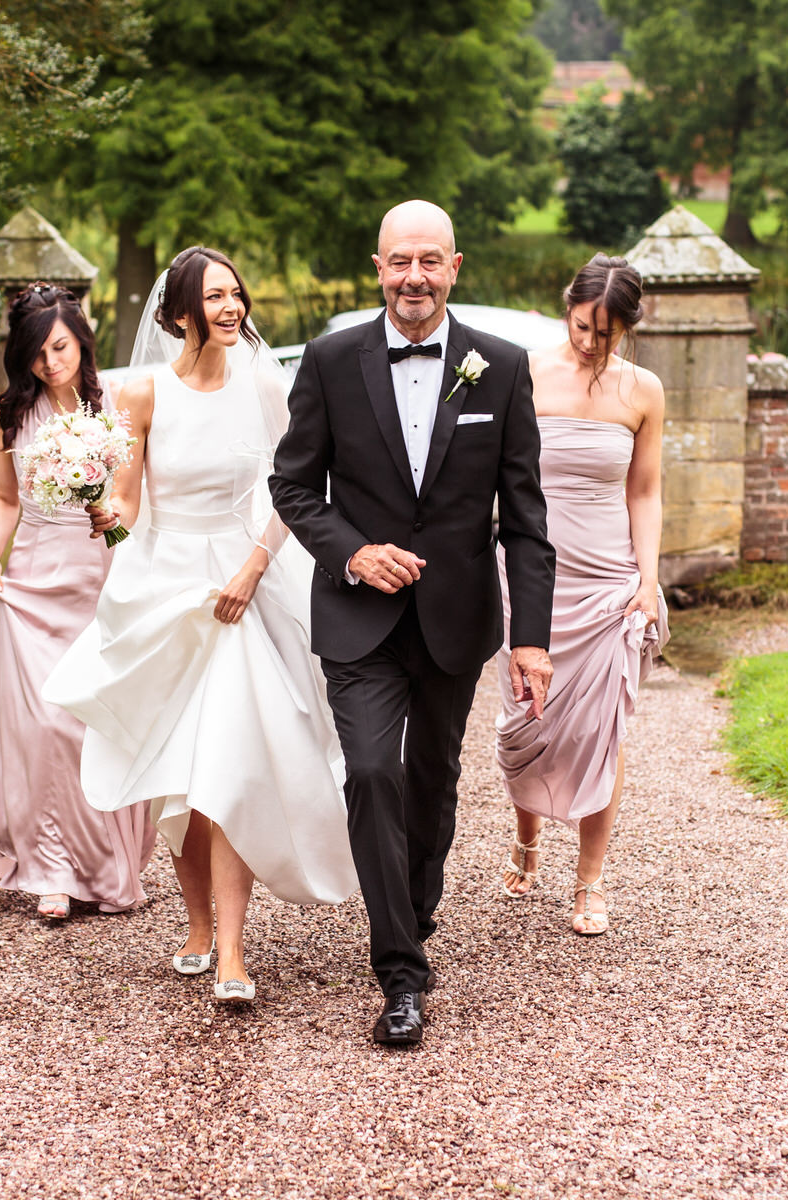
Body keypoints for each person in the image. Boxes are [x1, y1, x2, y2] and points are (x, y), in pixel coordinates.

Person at [270, 200, 556, 1047]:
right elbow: (292, 488)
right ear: (377, 266)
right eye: (400, 262)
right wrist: (353, 553)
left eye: (429, 261)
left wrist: (530, 637)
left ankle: (413, 913)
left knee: (432, 780)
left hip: (454, 619)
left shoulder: (499, 368)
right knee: (370, 771)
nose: (414, 277)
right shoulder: (328, 361)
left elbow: (525, 518)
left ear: (454, 268)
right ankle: (399, 973)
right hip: (359, 617)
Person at [45, 247, 356, 1004]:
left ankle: (234, 955)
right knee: (180, 776)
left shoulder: (263, 382)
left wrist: (252, 568)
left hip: (242, 582)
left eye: (236, 294)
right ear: (180, 311)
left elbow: (293, 487)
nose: (231, 308)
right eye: (214, 296)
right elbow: (129, 510)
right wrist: (100, 510)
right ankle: (197, 925)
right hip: (165, 590)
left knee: (230, 765)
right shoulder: (143, 393)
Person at [495, 254, 668, 937]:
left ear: (626, 327)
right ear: (565, 309)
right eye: (581, 326)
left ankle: (590, 880)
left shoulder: (644, 391)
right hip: (531, 575)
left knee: (602, 732)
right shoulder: (525, 374)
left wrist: (647, 580)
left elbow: (645, 491)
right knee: (526, 724)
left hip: (607, 581)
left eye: (607, 332)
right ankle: (527, 840)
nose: (591, 342)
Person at [0, 284, 156, 920]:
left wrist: (112, 513)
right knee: (44, 729)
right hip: (31, 583)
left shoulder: (114, 410)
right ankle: (50, 868)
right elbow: (4, 499)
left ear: (80, 340)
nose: (51, 363)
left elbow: (132, 506)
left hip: (98, 581)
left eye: (59, 347)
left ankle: (107, 869)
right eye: (37, 353)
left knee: (92, 724)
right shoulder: (9, 417)